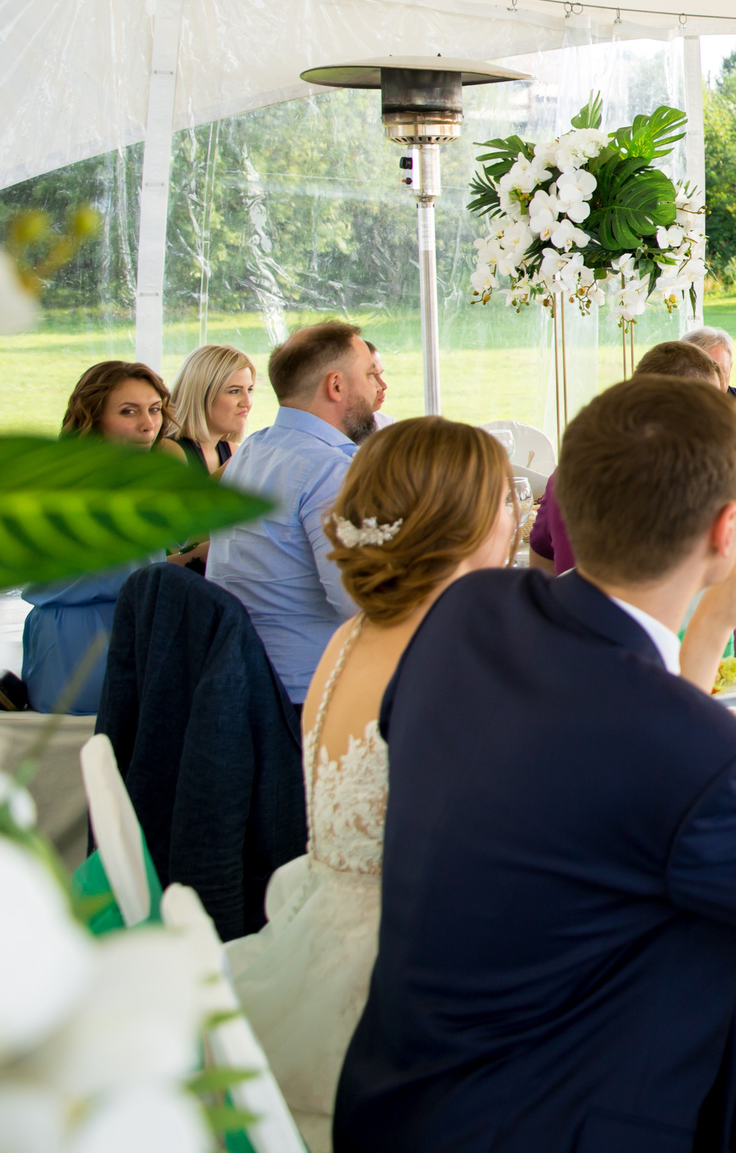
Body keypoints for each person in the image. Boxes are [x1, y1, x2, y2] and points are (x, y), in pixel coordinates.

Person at [332, 376, 736, 1152]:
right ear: (728, 528)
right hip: (569, 1122)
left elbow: (595, 760)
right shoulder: (701, 760)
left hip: (399, 1107)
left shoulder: (469, 615)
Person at [224, 417, 516, 1152]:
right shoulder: (443, 656)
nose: (522, 515)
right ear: (463, 522)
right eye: (508, 499)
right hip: (400, 984)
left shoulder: (352, 633)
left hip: (319, 930)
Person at [530, 340, 736, 632]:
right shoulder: (729, 472)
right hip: (717, 668)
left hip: (587, 659)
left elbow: (541, 581)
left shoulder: (564, 478)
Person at [211, 322, 389, 706]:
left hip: (244, 680)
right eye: (371, 374)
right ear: (336, 386)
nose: (378, 387)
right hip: (309, 698)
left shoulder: (253, 450)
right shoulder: (329, 470)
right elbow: (361, 602)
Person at [22, 360, 180, 713]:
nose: (148, 425)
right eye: (129, 412)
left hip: (103, 628)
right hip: (83, 641)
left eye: (155, 410)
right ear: (93, 418)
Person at [168, 343, 257, 476]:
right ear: (200, 395)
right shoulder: (171, 450)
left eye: (249, 390)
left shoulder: (232, 450)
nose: (247, 402)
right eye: (234, 391)